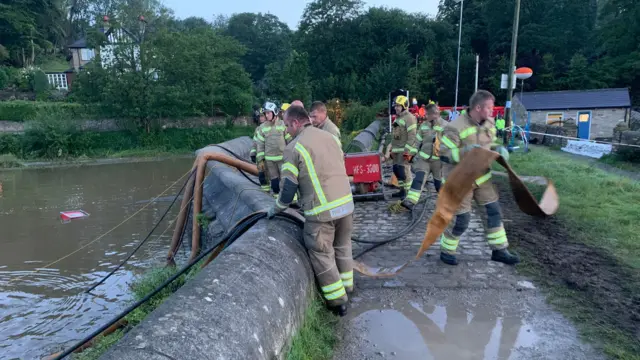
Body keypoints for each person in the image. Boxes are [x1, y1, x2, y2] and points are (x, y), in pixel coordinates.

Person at [267, 105, 354, 316]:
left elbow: (288, 189)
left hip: (322, 212)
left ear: (297, 122)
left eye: (287, 126)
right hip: (346, 204)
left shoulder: (293, 148)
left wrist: (277, 208)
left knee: (321, 252)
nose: (286, 131)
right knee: (342, 246)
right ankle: (348, 286)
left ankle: (337, 302)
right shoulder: (329, 137)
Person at [438, 90, 520, 266]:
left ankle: (499, 250)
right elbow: (444, 154)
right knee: (462, 220)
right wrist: (465, 152)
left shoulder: (489, 123)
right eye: (489, 108)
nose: (492, 111)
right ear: (478, 107)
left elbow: (492, 144)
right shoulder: (455, 127)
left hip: (482, 178)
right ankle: (447, 250)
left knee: (494, 212)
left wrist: (499, 149)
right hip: (460, 180)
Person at [401, 103, 444, 210]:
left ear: (434, 114)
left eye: (427, 114)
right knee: (419, 179)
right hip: (424, 160)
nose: (425, 116)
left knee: (440, 184)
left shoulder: (445, 126)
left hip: (439, 161)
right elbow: (417, 142)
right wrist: (411, 154)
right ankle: (410, 201)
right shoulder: (424, 126)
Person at [256, 102, 292, 196]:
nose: (266, 115)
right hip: (269, 160)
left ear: (274, 112)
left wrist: (292, 155)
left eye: (268, 113)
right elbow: (260, 144)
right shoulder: (262, 128)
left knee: (286, 179)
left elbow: (290, 141)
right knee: (274, 180)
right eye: (265, 113)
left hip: (282, 158)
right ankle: (276, 197)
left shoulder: (283, 125)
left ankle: (291, 199)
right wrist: (260, 160)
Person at [390, 95, 418, 199]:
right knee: (396, 170)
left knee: (404, 171)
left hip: (405, 151)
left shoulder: (409, 118)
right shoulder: (398, 118)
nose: (396, 108)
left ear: (404, 106)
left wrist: (407, 151)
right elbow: (395, 136)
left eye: (398, 106)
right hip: (397, 150)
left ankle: (408, 193)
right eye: (395, 106)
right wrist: (391, 149)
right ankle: (402, 191)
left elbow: (412, 136)